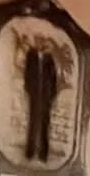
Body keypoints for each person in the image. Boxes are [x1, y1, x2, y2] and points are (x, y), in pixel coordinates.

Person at [19, 35, 63, 163]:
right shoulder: (31, 57)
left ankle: (43, 154)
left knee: (45, 124)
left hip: (46, 96)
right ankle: (30, 152)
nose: (42, 46)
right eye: (40, 43)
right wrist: (28, 88)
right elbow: (28, 75)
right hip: (34, 94)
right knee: (33, 123)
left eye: (44, 44)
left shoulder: (49, 60)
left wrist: (52, 95)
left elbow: (53, 80)